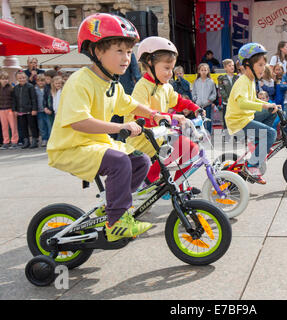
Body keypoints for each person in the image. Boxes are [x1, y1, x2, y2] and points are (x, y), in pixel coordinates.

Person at [46, 13, 171, 242]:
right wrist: (120, 126)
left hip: (94, 145)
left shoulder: (111, 83)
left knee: (140, 160)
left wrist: (155, 114)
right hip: (70, 147)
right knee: (119, 161)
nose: (127, 58)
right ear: (96, 51)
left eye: (129, 51)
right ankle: (116, 222)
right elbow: (78, 121)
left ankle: (111, 207)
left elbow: (129, 103)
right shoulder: (80, 80)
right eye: (119, 51)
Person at [125, 36, 203, 191]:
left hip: (159, 136)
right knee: (183, 146)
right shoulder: (142, 87)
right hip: (142, 139)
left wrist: (195, 108)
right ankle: (147, 183)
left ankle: (178, 186)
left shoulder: (166, 86)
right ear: (149, 64)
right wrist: (173, 118)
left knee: (192, 149)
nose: (170, 73)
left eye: (172, 69)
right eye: (166, 68)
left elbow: (178, 101)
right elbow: (141, 117)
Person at [225, 42, 278, 184]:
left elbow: (253, 99)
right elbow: (242, 103)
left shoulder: (250, 80)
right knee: (271, 133)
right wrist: (264, 105)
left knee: (273, 112)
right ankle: (252, 165)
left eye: (264, 64)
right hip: (238, 121)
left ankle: (258, 141)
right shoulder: (243, 81)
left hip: (246, 117)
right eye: (260, 65)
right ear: (247, 65)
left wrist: (269, 105)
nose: (263, 68)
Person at [13, 71, 38, 149]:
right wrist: (14, 110)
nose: (22, 79)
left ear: (26, 78)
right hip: (20, 111)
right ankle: (26, 141)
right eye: (20, 78)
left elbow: (34, 99)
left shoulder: (30, 87)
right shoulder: (16, 88)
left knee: (32, 126)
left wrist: (34, 109)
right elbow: (14, 100)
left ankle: (34, 140)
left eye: (23, 78)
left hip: (29, 110)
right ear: (17, 79)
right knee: (23, 126)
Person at [192, 63, 217, 133]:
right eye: (202, 70)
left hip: (207, 104)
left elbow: (214, 93)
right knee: (199, 120)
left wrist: (210, 99)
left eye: (205, 70)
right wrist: (195, 99)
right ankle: (199, 133)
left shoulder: (211, 82)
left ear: (208, 71)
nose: (203, 72)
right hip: (198, 105)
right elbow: (193, 92)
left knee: (208, 119)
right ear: (199, 71)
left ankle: (208, 133)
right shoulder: (196, 82)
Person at [217, 59, 239, 136]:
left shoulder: (237, 78)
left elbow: (239, 89)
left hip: (236, 103)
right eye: (229, 66)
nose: (232, 67)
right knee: (227, 118)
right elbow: (221, 90)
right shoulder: (221, 78)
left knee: (236, 119)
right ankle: (226, 135)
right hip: (227, 102)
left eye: (233, 65)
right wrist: (228, 99)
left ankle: (236, 134)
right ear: (225, 68)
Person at [0, 71, 18, 149]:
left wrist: (14, 109)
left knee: (13, 126)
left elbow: (14, 100)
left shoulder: (11, 88)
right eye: (3, 79)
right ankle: (6, 142)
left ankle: (14, 141)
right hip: (1, 110)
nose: (5, 80)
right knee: (4, 127)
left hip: (10, 109)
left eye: (7, 79)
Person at [34, 74, 52, 147]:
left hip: (47, 110)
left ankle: (50, 139)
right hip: (39, 110)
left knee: (49, 125)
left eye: (42, 81)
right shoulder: (34, 89)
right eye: (39, 81)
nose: (40, 82)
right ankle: (44, 139)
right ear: (36, 81)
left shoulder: (48, 88)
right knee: (41, 126)